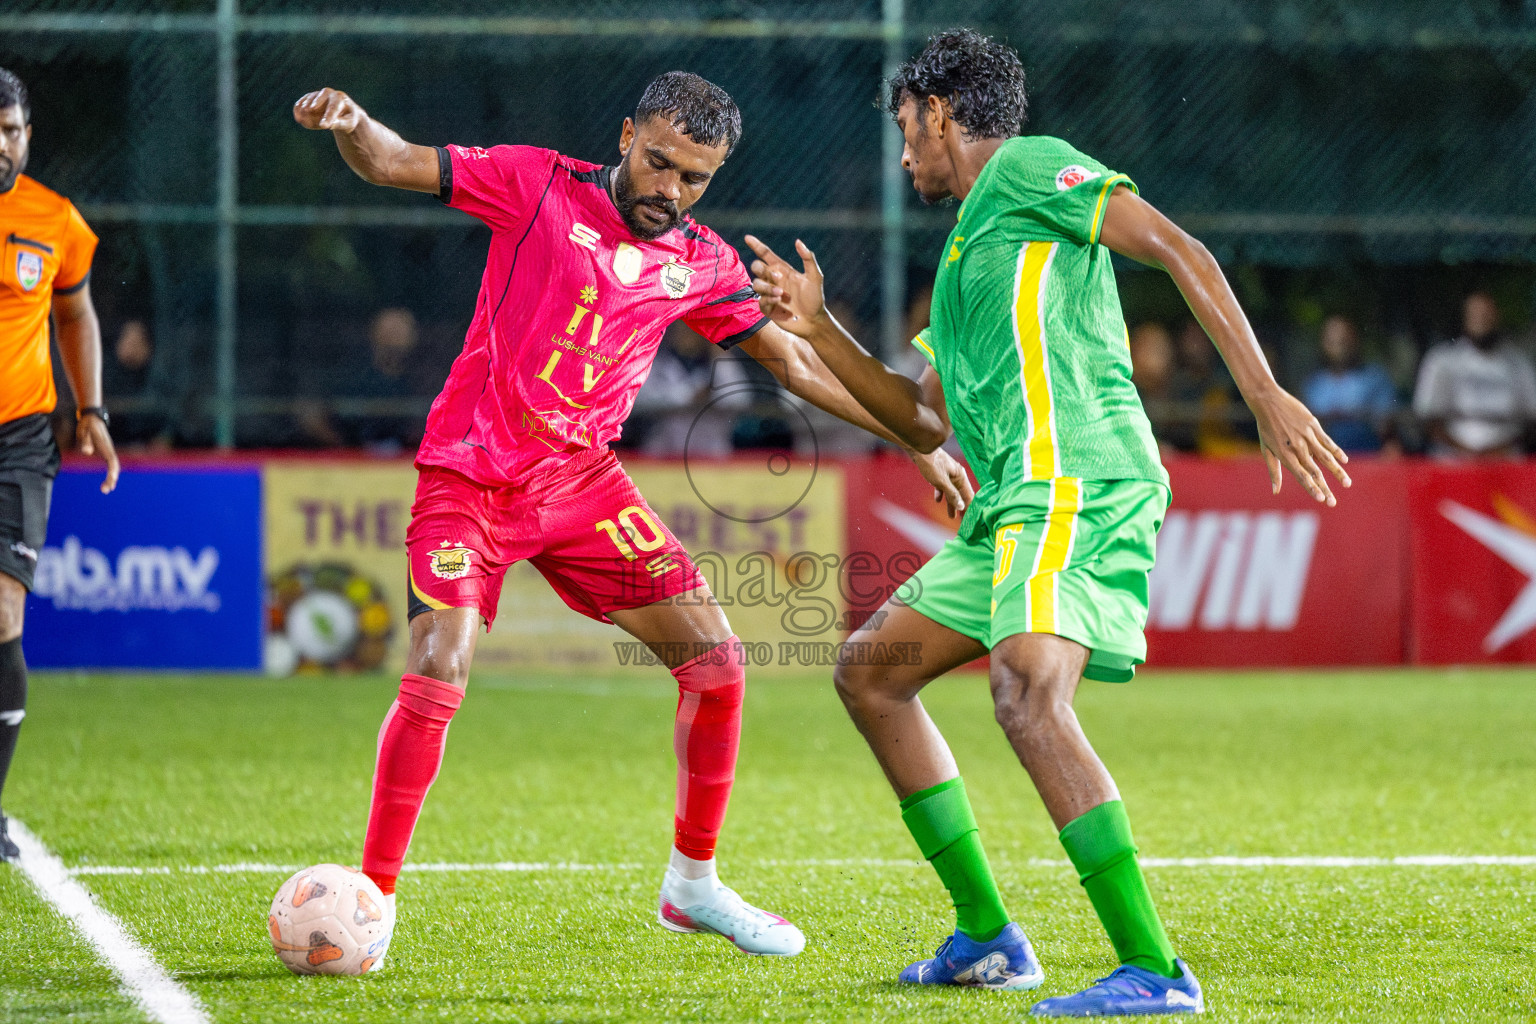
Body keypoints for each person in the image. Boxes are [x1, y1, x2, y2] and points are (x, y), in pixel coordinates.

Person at [292, 71, 972, 955]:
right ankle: (371, 904)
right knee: (440, 664)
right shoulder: (536, 183)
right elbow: (390, 161)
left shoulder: (700, 260)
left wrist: (911, 440)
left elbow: (796, 369)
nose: (670, 190)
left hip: (582, 485)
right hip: (472, 477)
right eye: (659, 164)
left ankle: (694, 886)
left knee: (720, 663)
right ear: (626, 136)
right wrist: (352, 119)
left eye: (693, 178)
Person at [746, 30, 1348, 1015]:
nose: (904, 156)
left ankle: (1154, 970)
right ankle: (987, 935)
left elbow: (1174, 247)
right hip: (1013, 502)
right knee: (871, 674)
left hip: (1078, 476)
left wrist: (1265, 391)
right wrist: (821, 331)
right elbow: (923, 415)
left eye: (907, 130)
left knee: (1027, 689)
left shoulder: (1028, 167)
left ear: (941, 113)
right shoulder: (962, 253)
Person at [0, 68, 119, 861]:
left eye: (10, 130)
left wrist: (93, 410)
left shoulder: (54, 219)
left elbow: (75, 313)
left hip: (19, 440)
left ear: (28, 133)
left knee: (2, 618)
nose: (0, 144)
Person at [1413, 291, 1536, 457]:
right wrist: (1466, 453)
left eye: (1486, 315)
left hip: (1507, 461)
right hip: (1452, 462)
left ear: (1496, 317)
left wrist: (1497, 452)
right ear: (1465, 318)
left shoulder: (1519, 365)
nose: (1481, 320)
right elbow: (1428, 419)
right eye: (1476, 315)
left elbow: (1531, 421)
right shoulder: (1442, 361)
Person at [1302, 314, 1397, 454]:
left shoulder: (1375, 377)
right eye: (1332, 341)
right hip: (1324, 458)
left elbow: (1386, 423)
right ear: (1323, 344)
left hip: (1368, 457)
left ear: (1355, 341)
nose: (1340, 347)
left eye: (1344, 340)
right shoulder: (1315, 383)